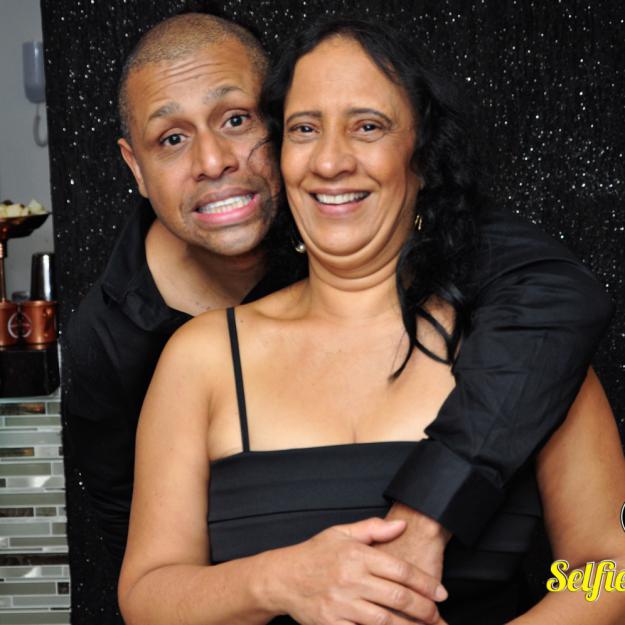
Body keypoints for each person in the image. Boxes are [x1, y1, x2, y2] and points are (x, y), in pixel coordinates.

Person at [66, 10, 612, 608]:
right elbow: (146, 596)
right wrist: (280, 581)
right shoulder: (197, 357)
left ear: (424, 153)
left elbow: (608, 570)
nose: (330, 162)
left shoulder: (528, 339)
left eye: (368, 127)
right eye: (304, 129)